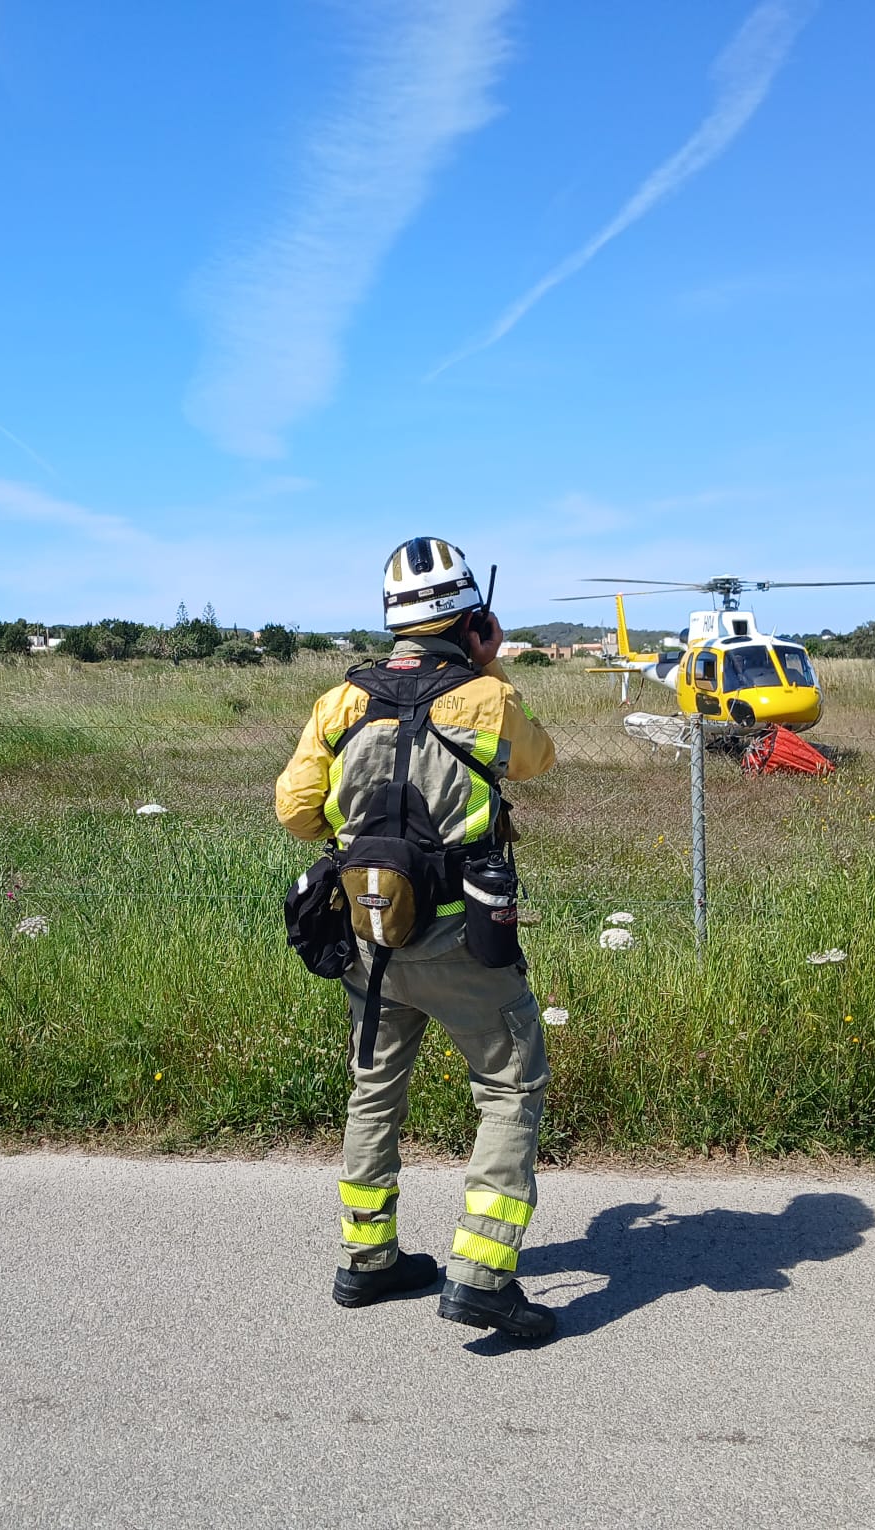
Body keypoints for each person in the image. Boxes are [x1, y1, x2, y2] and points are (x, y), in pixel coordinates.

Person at [274, 537, 560, 1341]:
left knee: (374, 1090)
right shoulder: (484, 697)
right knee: (509, 1090)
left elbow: (297, 815)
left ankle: (366, 1261)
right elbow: (537, 760)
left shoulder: (339, 703)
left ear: (394, 620)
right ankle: (482, 1278)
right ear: (469, 618)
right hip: (461, 941)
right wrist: (491, 666)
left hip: (368, 936)